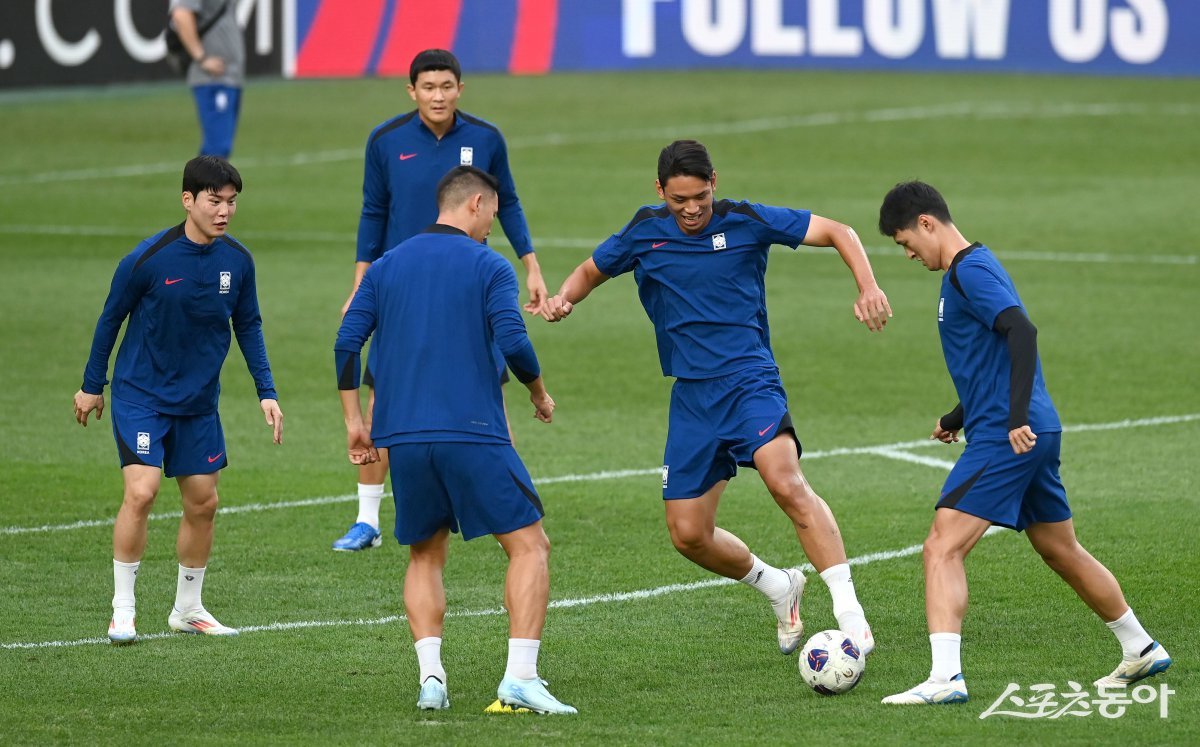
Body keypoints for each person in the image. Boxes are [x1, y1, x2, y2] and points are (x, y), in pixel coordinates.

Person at [541, 139, 891, 658]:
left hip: (750, 381)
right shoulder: (644, 231)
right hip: (692, 397)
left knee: (785, 480)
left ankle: (850, 615)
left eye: (700, 197)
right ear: (660, 191)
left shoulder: (746, 220)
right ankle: (778, 586)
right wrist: (564, 299)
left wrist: (868, 285)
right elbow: (592, 270)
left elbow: (839, 231)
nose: (691, 209)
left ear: (714, 183)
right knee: (688, 533)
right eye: (678, 199)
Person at [876, 180, 1172, 705]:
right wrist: (956, 416)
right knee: (1060, 548)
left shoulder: (968, 271)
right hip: (1028, 428)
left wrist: (1013, 420)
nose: (908, 254)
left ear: (926, 223)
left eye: (905, 242)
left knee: (942, 546)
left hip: (1008, 434)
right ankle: (1140, 646)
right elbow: (990, 356)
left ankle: (945, 678)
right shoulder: (972, 267)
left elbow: (1022, 332)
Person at [334, 165, 575, 714]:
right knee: (529, 546)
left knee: (425, 554)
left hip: (403, 436)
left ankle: (431, 678)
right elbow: (514, 340)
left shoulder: (387, 265)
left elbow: (347, 343)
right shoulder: (489, 264)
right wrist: (539, 393)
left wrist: (354, 421)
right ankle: (520, 677)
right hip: (473, 431)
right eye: (493, 213)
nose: (493, 225)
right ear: (475, 205)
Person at [332, 48, 547, 553]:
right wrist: (360, 281)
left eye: (446, 86)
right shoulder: (385, 140)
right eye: (428, 87)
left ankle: (501, 504)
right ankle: (367, 519)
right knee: (384, 394)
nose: (437, 96)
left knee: (489, 393)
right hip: (401, 288)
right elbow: (373, 211)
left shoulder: (486, 138)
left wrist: (531, 265)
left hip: (467, 286)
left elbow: (509, 202)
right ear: (412, 91)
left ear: (460, 89)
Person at [74, 155, 283, 644]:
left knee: (204, 502)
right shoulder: (148, 259)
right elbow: (110, 319)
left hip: (198, 403)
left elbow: (248, 324)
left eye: (231, 202)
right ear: (188, 200)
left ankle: (188, 608)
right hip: (141, 395)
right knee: (142, 491)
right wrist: (92, 385)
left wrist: (266, 391)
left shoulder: (238, 261)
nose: (224, 211)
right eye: (214, 201)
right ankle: (123, 609)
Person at [169, 0, 244, 158]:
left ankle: (204, 174)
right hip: (213, 78)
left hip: (228, 76)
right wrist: (201, 58)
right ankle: (203, 175)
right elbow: (181, 14)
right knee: (217, 149)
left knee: (220, 149)